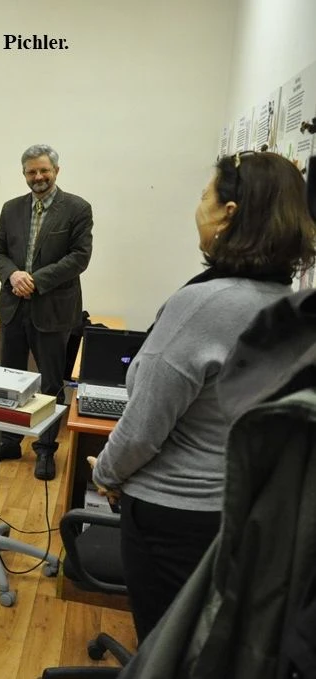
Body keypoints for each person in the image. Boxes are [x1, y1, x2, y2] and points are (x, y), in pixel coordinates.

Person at [90, 151, 316, 644]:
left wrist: (104, 473)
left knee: (164, 646)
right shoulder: (291, 307)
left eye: (203, 196)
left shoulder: (202, 305)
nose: (197, 206)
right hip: (247, 515)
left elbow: (143, 427)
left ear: (228, 214)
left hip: (174, 517)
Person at [0, 144, 93, 480]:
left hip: (53, 310)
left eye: (44, 170)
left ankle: (45, 449)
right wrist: (12, 275)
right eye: (31, 171)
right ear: (24, 174)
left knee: (50, 383)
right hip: (13, 307)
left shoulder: (77, 208)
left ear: (56, 171)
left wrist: (35, 280)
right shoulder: (11, 209)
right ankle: (9, 441)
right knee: (9, 379)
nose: (38, 177)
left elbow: (79, 257)